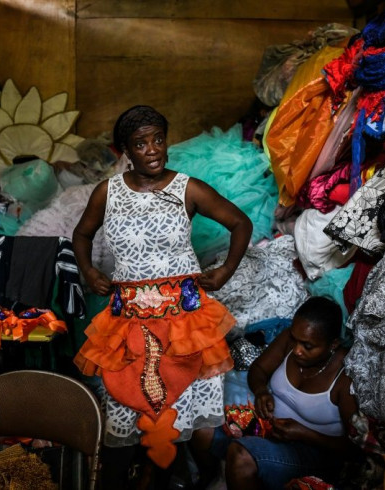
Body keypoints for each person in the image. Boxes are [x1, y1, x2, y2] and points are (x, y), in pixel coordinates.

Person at [72, 105, 253, 487]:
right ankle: (139, 476)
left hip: (186, 323)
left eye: (158, 140)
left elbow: (240, 222)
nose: (153, 149)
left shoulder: (187, 189)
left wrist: (225, 271)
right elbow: (81, 234)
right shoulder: (108, 192)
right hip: (128, 322)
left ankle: (190, 476)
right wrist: (89, 271)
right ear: (125, 150)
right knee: (123, 414)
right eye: (141, 143)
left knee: (188, 422)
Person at [199, 296, 359, 489]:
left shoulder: (345, 375)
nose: (297, 350)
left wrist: (304, 434)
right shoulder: (289, 340)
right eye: (295, 339)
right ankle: (207, 477)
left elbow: (356, 447)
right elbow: (259, 370)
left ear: (332, 345)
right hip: (270, 428)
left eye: (307, 346)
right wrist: (261, 392)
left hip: (314, 451)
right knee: (201, 425)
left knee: (241, 456)